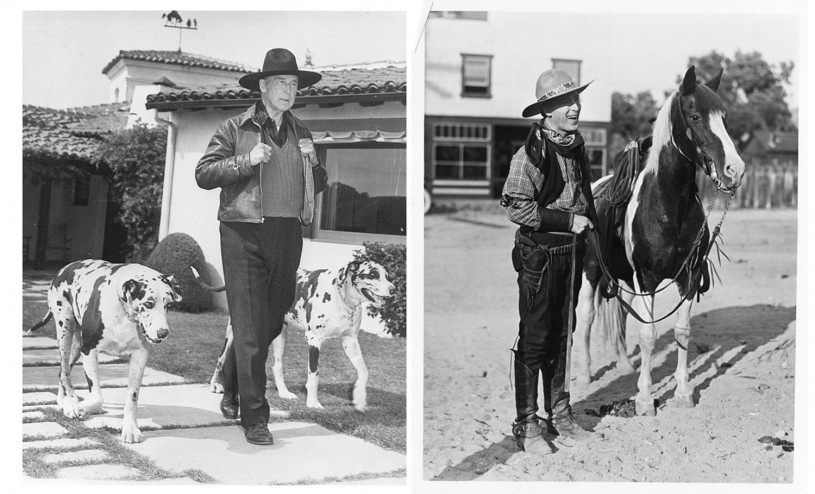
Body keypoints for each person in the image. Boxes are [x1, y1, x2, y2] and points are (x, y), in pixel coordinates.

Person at [195, 48, 327, 446]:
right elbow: (203, 174)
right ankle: (255, 418)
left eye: (294, 84)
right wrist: (246, 161)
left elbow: (317, 186)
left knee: (269, 322)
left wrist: (315, 165)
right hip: (243, 233)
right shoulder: (235, 128)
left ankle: (233, 384)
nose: (290, 90)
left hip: (287, 233)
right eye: (283, 83)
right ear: (264, 87)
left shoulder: (302, 132)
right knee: (251, 326)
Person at [500, 68, 599, 454]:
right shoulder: (529, 155)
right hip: (539, 257)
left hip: (570, 255)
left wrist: (588, 231)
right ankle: (526, 424)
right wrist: (566, 220)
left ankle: (559, 412)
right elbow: (517, 208)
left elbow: (584, 200)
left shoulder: (575, 147)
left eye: (576, 100)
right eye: (565, 102)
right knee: (536, 338)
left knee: (564, 334)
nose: (575, 108)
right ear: (546, 110)